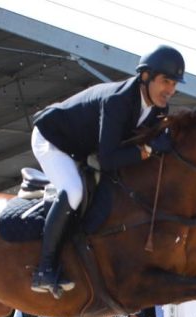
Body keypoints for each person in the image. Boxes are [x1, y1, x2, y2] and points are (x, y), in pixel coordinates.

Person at [29, 45, 184, 296]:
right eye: (166, 81)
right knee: (75, 191)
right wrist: (147, 150)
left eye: (175, 83)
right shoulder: (118, 101)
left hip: (81, 147)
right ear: (145, 77)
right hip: (53, 139)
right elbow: (108, 159)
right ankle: (44, 269)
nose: (171, 90)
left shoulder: (159, 109)